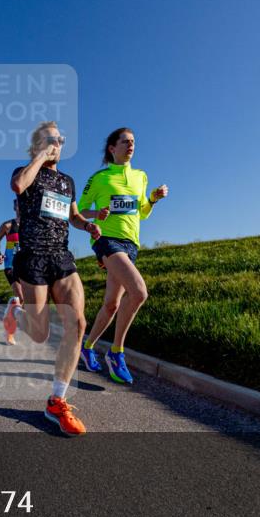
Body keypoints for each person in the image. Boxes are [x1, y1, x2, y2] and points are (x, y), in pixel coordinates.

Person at [3, 121, 101, 436]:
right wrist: (39, 156)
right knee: (40, 334)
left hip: (61, 257)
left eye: (60, 139)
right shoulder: (26, 170)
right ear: (39, 144)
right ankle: (15, 312)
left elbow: (71, 215)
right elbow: (18, 185)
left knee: (78, 323)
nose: (57, 143)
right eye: (51, 139)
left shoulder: (68, 180)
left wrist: (87, 224)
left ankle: (56, 401)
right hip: (32, 259)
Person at [77, 127, 168, 384]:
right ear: (112, 148)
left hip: (131, 244)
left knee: (112, 304)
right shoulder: (99, 178)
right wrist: (97, 215)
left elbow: (141, 212)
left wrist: (153, 198)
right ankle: (116, 353)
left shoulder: (141, 176)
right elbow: (80, 210)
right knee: (139, 292)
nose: (131, 146)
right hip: (106, 240)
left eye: (133, 142)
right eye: (125, 142)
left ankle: (88, 346)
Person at [0, 200, 24, 344]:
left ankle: (11, 308)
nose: (22, 205)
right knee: (21, 296)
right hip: (11, 265)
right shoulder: (7, 225)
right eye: (19, 203)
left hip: (27, 266)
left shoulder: (33, 226)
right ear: (14, 207)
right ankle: (10, 333)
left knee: (23, 301)